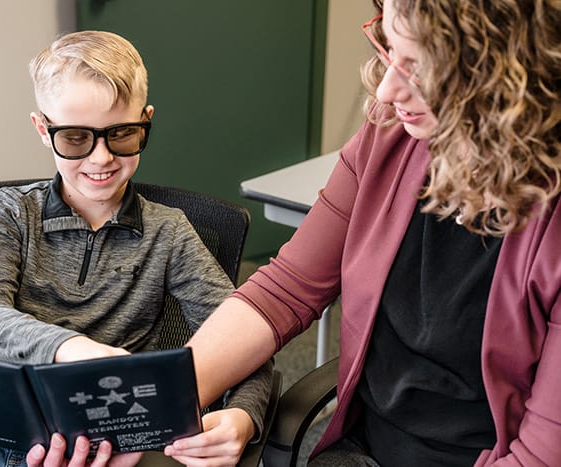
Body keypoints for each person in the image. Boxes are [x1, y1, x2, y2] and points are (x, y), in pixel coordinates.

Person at [171, 0, 560, 466]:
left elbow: (541, 453)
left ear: (509, 75)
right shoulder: (390, 135)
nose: (389, 88)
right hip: (364, 448)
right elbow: (285, 290)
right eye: (390, 49)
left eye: (420, 69)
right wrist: (159, 402)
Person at [0, 30, 272, 467]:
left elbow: (244, 339)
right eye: (75, 138)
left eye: (122, 134)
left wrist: (243, 415)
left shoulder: (169, 233)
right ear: (42, 128)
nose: (101, 157)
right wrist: (74, 349)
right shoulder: (10, 212)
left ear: (146, 120)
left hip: (107, 449)